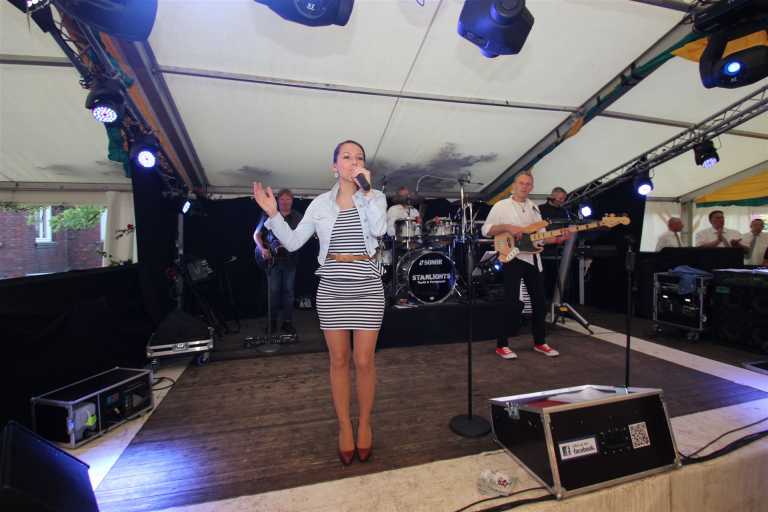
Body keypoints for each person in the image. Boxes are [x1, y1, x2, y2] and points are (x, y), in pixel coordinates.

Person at [252, 140, 386, 466]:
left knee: (364, 361)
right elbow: (293, 242)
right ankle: (344, 427)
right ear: (334, 166)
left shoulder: (376, 197)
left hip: (368, 285)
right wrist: (273, 214)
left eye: (359, 158)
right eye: (346, 157)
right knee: (338, 360)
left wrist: (368, 193)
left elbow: (380, 229)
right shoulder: (319, 205)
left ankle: (364, 424)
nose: (353, 162)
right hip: (332, 289)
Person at [481, 172, 568, 360]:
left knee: (539, 302)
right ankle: (502, 345)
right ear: (514, 185)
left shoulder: (534, 208)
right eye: (521, 183)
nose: (524, 186)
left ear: (532, 187)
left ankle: (540, 342)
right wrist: (508, 227)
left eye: (528, 184)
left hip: (532, 258)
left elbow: (541, 236)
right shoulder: (501, 206)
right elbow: (486, 230)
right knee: (511, 302)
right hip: (512, 256)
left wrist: (557, 238)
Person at [253, 189, 303, 334]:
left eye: (288, 199)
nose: (285, 202)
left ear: (292, 201)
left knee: (289, 292)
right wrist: (262, 249)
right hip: (272, 261)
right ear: (277, 201)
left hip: (290, 260)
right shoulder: (268, 214)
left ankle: (287, 323)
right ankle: (272, 322)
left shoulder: (298, 217)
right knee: (273, 292)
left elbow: (302, 237)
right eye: (282, 199)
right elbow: (256, 234)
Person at [538, 187, 570, 300]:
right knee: (542, 281)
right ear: (552, 197)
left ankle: (555, 303)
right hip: (541, 251)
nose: (562, 201)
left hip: (558, 251)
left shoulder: (564, 211)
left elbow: (567, 228)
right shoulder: (540, 209)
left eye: (564, 199)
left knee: (557, 281)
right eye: (560, 198)